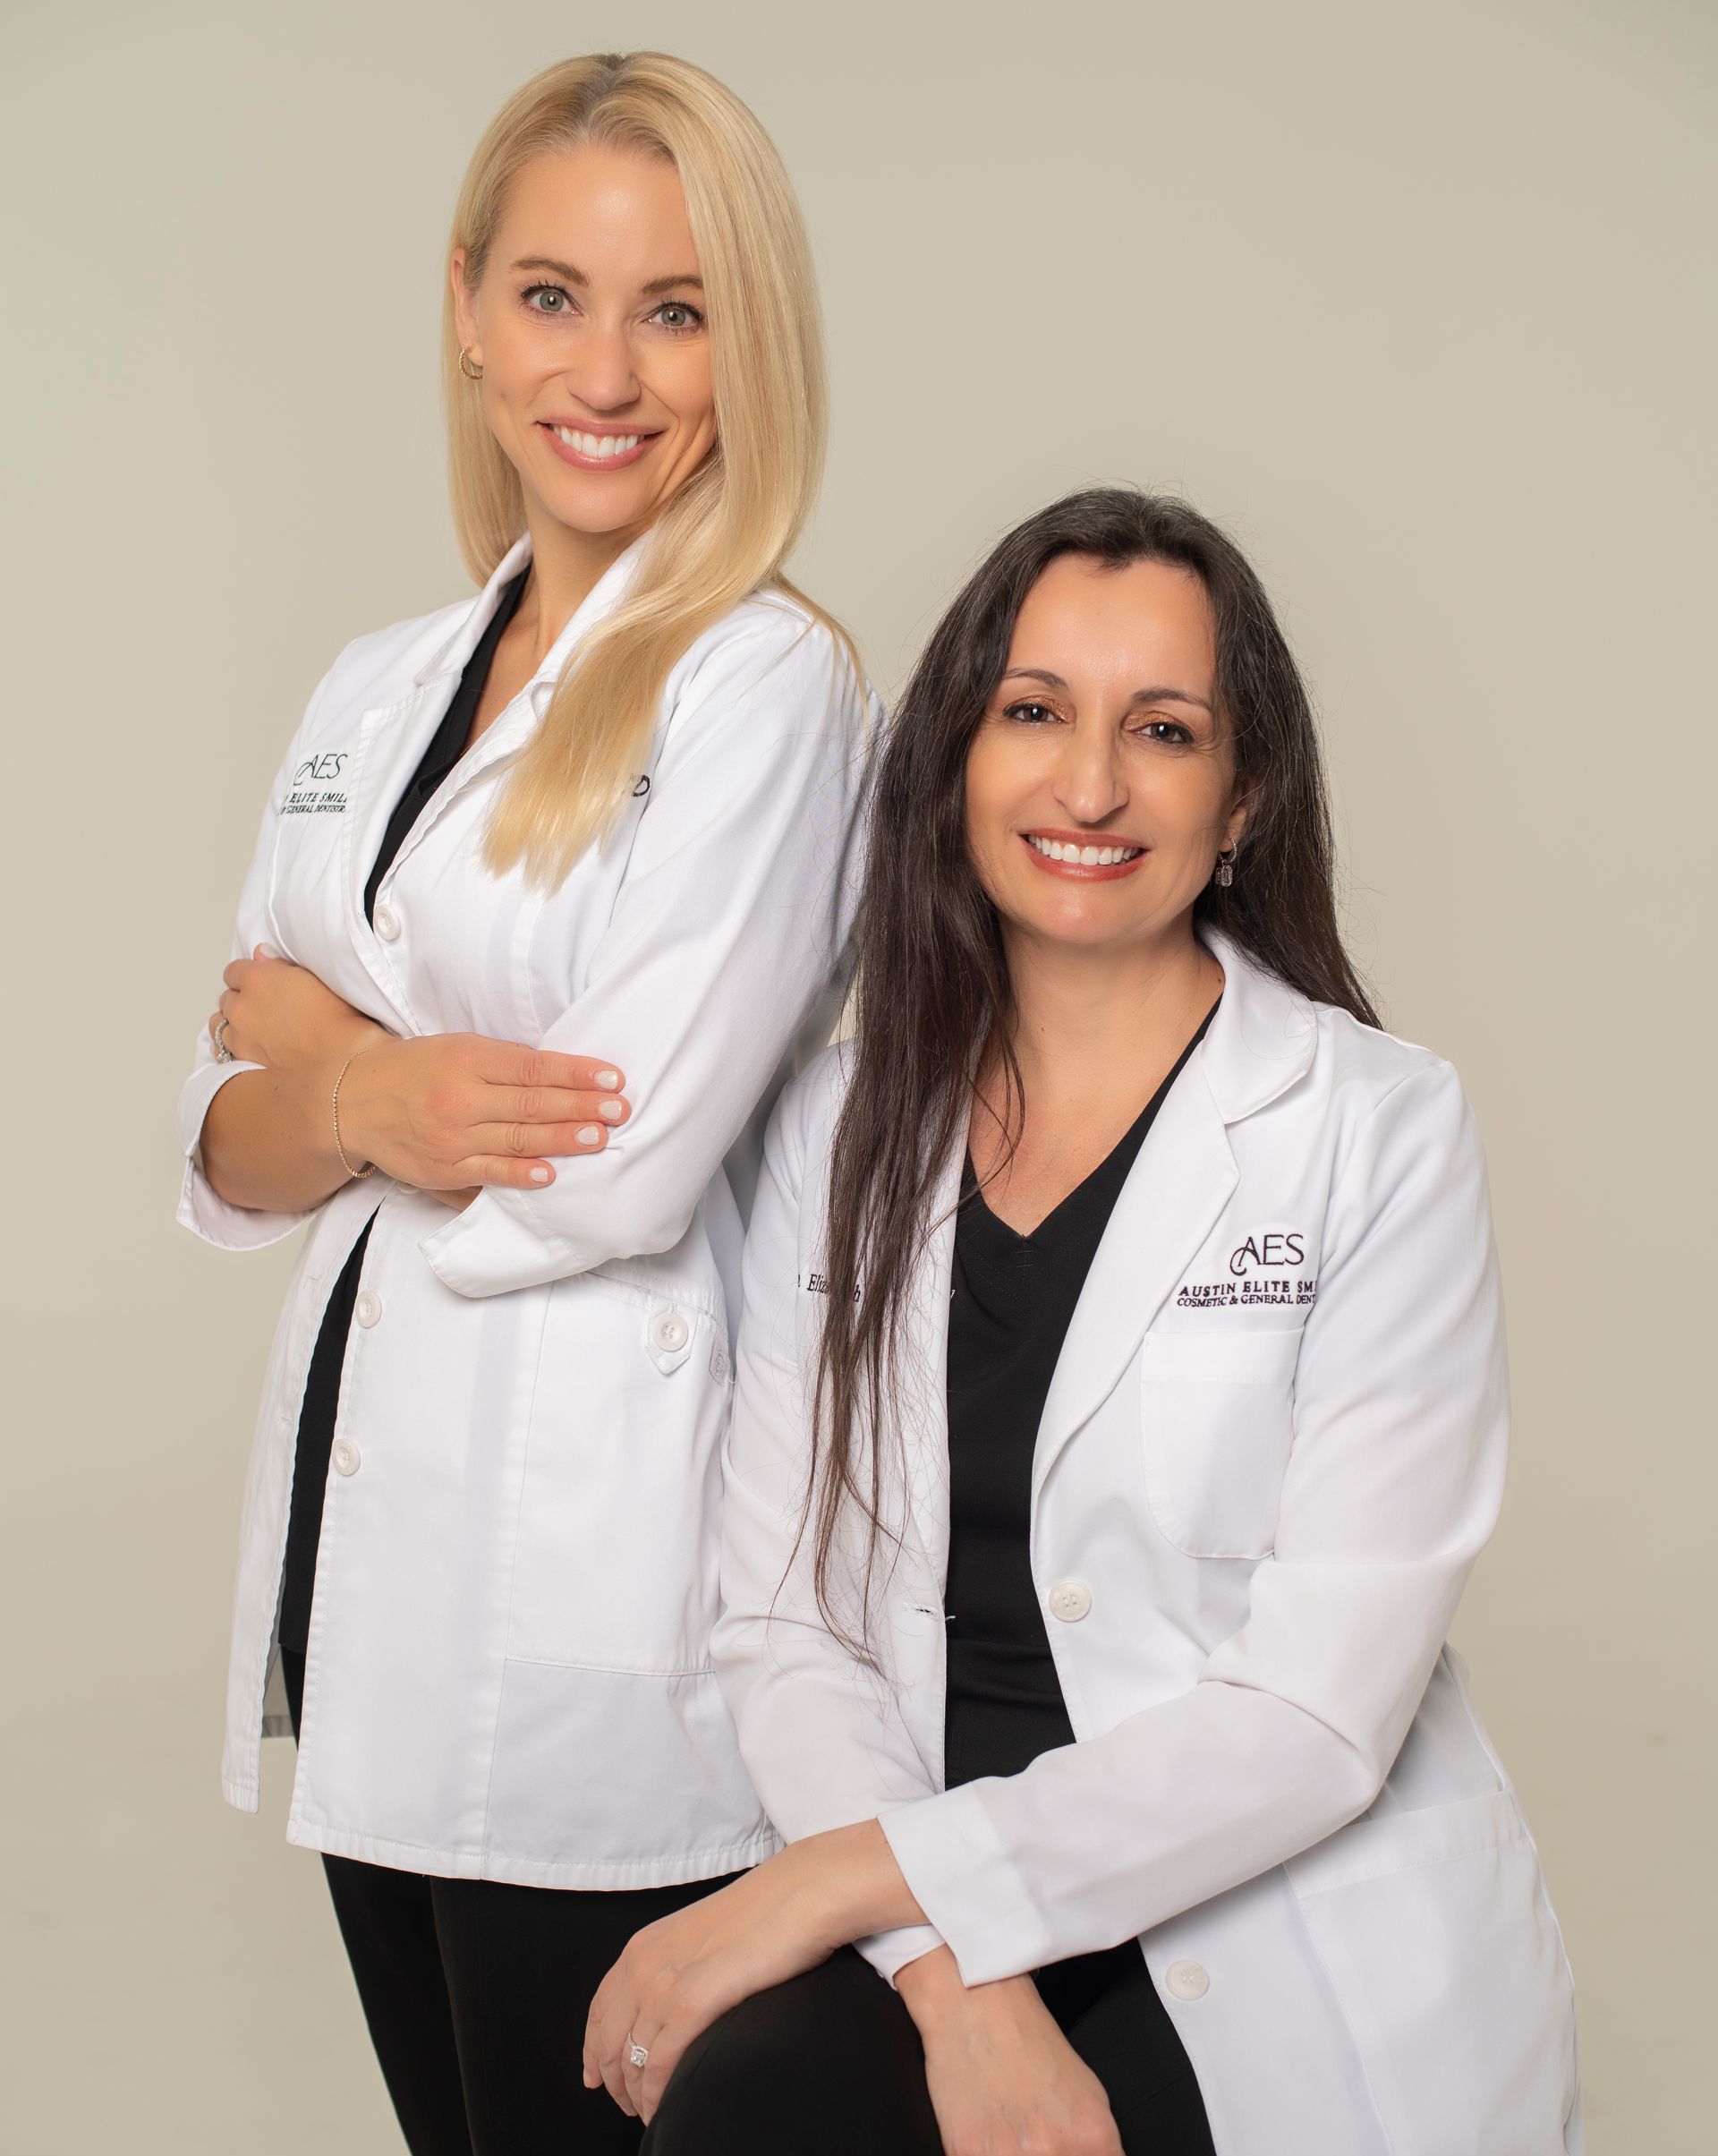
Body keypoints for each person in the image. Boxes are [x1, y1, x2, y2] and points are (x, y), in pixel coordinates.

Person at [583, 490, 1583, 2156]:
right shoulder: (835, 1131)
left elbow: (1319, 1709)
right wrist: (950, 1969)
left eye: (1165, 730)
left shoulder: (1375, 1126)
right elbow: (785, 1622)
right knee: (746, 2116)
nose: (1092, 783)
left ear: (1244, 795)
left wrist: (851, 1882)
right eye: (1034, 712)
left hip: (1262, 1908)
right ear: (960, 758)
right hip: (913, 1865)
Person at [174, 51, 874, 2156]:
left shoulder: (770, 683)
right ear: (469, 305)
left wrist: (337, 1072)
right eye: (556, 296)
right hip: (361, 1558)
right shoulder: (375, 683)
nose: (612, 369)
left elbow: (621, 1160)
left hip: (585, 1598)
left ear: (750, 347)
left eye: (679, 308)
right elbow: (215, 1129)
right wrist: (360, 1092)